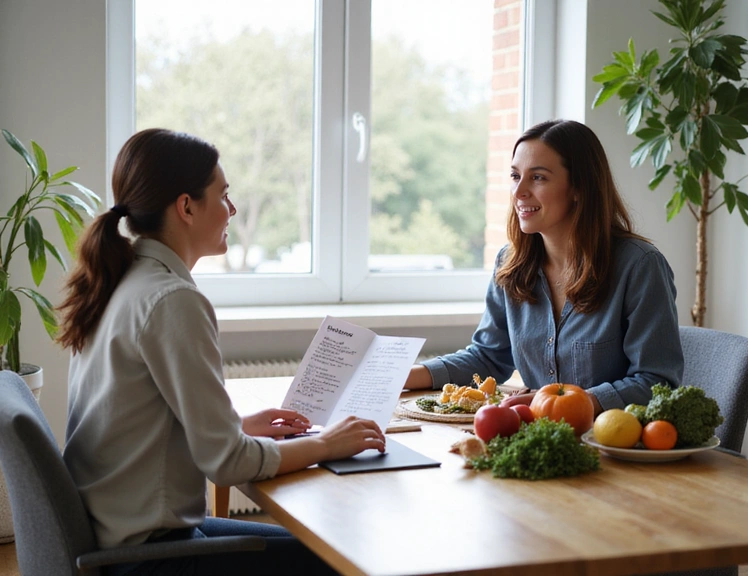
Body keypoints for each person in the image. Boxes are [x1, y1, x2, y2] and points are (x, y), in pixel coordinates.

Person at [57, 128, 385, 576]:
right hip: (148, 557)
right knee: (346, 560)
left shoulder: (122, 280)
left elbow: (141, 419)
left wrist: (237, 427)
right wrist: (324, 444)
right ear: (186, 207)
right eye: (223, 195)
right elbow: (228, 464)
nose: (231, 210)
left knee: (326, 548)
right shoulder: (172, 300)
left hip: (117, 536)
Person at [404, 119, 683, 415]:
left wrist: (556, 404)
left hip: (615, 446)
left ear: (578, 188)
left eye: (538, 178)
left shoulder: (640, 267)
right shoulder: (510, 263)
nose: (519, 191)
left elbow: (656, 383)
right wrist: (400, 376)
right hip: (539, 441)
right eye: (515, 176)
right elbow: (488, 357)